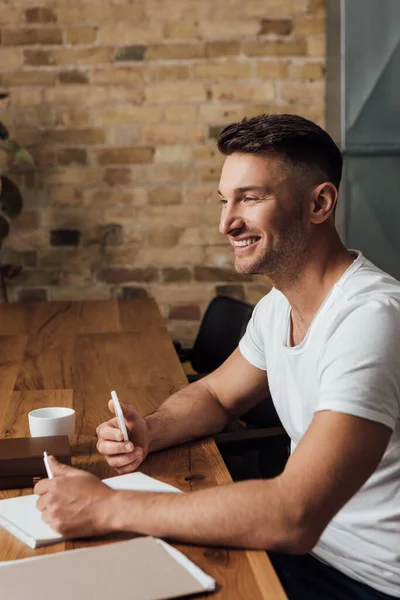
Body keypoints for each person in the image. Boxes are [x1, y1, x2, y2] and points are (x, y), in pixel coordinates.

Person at [35, 114, 400, 600]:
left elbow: (294, 514)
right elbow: (216, 394)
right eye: (225, 200)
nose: (226, 222)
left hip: (366, 579)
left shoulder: (371, 318)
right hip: (303, 556)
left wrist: (106, 507)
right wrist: (153, 428)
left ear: (319, 203)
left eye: (250, 198)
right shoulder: (278, 308)